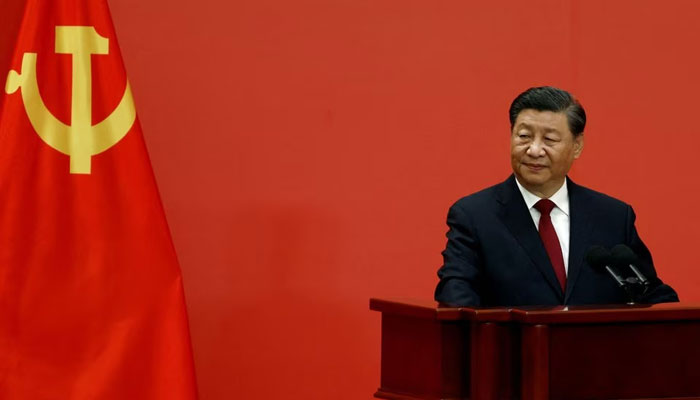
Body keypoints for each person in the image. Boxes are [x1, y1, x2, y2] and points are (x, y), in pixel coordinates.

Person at [434, 86, 678, 307]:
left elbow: (651, 294)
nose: (534, 150)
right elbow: (457, 298)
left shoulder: (613, 217)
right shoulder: (475, 216)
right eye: (524, 136)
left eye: (549, 139)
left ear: (577, 146)